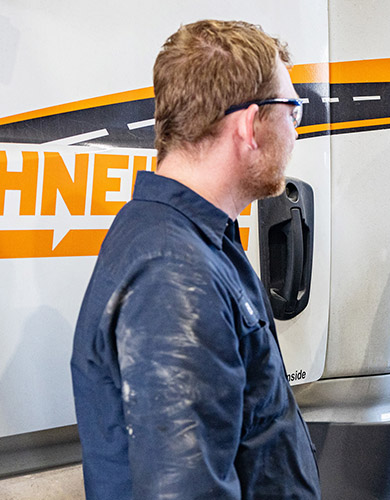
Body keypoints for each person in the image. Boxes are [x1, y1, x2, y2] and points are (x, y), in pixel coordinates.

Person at [70, 20, 320, 499]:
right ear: (250, 124)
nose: (295, 129)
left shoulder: (197, 240)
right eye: (292, 109)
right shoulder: (175, 271)